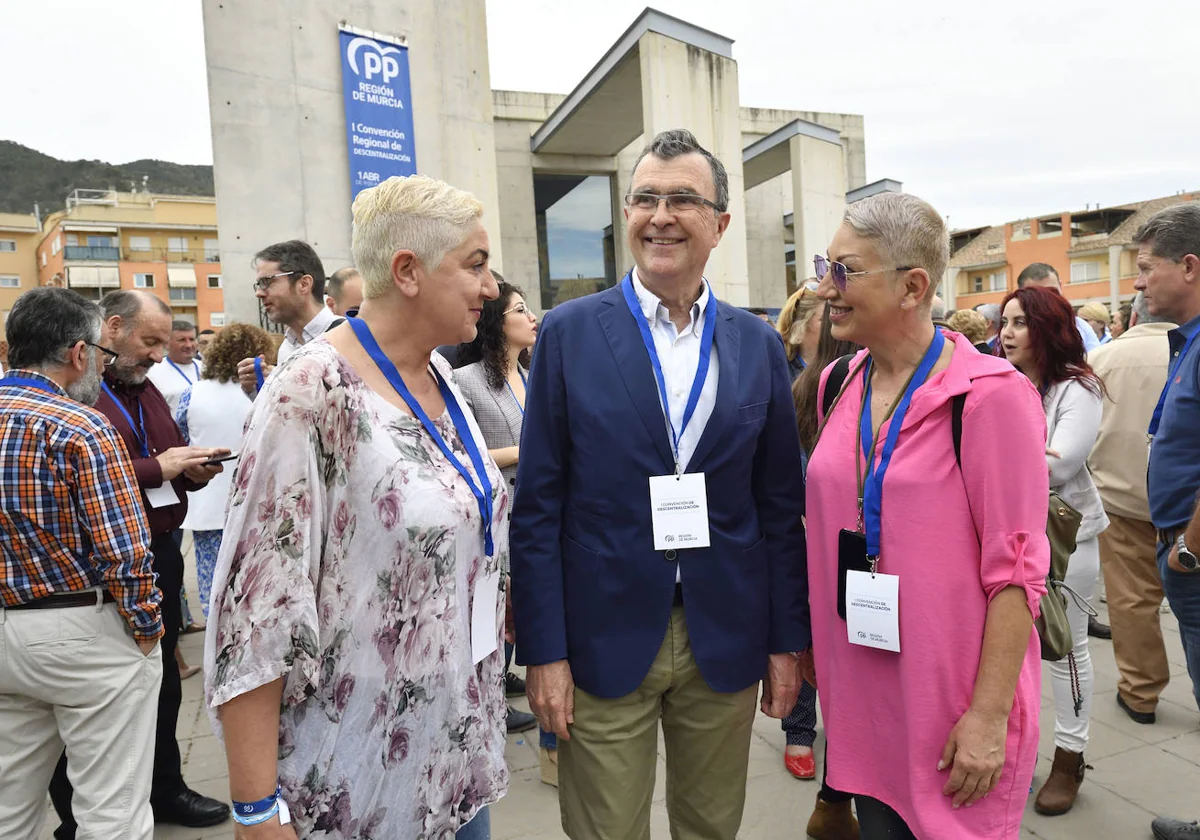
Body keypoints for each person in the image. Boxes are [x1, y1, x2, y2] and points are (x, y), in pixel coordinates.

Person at [511, 129, 810, 840]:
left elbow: (777, 507)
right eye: (644, 198)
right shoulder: (569, 333)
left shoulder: (756, 343)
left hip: (725, 636)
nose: (660, 215)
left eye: (682, 198)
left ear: (721, 224)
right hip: (603, 638)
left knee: (712, 827)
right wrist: (543, 652)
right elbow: (538, 509)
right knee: (604, 830)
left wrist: (785, 640)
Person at [204, 174, 508, 838]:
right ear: (408, 272)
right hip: (357, 774)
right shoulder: (312, 392)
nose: (492, 287)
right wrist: (255, 809)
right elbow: (257, 613)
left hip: (454, 759)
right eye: (477, 265)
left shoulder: (439, 380)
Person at [807, 191, 1050, 839]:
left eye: (844, 271)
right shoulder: (841, 382)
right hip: (864, 690)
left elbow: (1018, 576)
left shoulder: (991, 399)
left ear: (913, 286)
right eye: (823, 265)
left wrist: (988, 718)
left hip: (951, 713)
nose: (823, 286)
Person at [48, 289, 231, 835]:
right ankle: (77, 812)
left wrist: (191, 468)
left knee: (164, 681)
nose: (158, 353)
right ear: (112, 329)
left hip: (158, 552)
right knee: (89, 698)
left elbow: (168, 448)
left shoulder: (143, 387)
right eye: (149, 341)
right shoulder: (78, 394)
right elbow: (86, 478)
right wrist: (159, 467)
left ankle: (164, 787)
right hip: (98, 564)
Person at [0, 287, 164, 840]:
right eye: (99, 351)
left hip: (6, 631)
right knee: (112, 811)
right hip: (83, 632)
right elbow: (125, 552)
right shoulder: (83, 427)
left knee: (8, 807)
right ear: (77, 354)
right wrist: (147, 628)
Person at [998, 285, 1109, 816]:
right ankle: (1013, 748)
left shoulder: (1077, 388)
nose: (1008, 332)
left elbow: (1059, 464)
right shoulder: (1003, 383)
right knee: (1007, 650)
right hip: (1009, 534)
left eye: (1020, 322)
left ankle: (1070, 757)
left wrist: (988, 464)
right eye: (1004, 322)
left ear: (1047, 327)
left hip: (1068, 537)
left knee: (1066, 650)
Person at [453, 278, 544, 756]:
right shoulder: (465, 380)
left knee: (526, 605)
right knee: (494, 608)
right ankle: (487, 698)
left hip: (539, 513)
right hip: (496, 517)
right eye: (521, 310)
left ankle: (504, 686)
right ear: (497, 322)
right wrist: (527, 450)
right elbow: (461, 453)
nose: (532, 318)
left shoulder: (534, 376)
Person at [782, 301, 862, 839]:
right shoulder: (813, 387)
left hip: (867, 560)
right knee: (817, 653)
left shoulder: (872, 382)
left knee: (857, 672)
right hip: (818, 547)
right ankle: (804, 736)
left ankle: (842, 782)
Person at [1087, 291, 1175, 724]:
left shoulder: (1104, 358)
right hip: (1184, 499)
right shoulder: (1189, 350)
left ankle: (1140, 693)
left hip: (1122, 496)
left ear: (1132, 317)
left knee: (1132, 601)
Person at [1136, 202, 1200, 715]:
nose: (1139, 283)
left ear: (1189, 267)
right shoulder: (1187, 343)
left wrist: (1189, 548)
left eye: (1145, 267)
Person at [175, 323, 274, 618]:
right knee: (256, 589)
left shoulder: (192, 393)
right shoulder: (266, 391)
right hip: (257, 502)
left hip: (208, 504)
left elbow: (180, 439)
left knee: (215, 592)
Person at [236, 239, 335, 395]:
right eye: (259, 284)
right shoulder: (287, 347)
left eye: (266, 282)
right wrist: (257, 387)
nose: (259, 293)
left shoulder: (347, 338)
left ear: (304, 284)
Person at [1016, 262, 1102, 351]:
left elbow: (1096, 361)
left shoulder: (1081, 327)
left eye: (1053, 292)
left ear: (1060, 286)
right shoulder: (1012, 331)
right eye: (1037, 295)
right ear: (1021, 295)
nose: (1048, 299)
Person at [147, 320, 204, 416]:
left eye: (192, 339)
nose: (189, 345)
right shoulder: (152, 373)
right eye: (182, 340)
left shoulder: (207, 368)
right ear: (167, 344)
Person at [776, 285, 824, 380]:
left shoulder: (844, 364)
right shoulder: (778, 370)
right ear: (801, 325)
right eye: (823, 319)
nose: (832, 324)